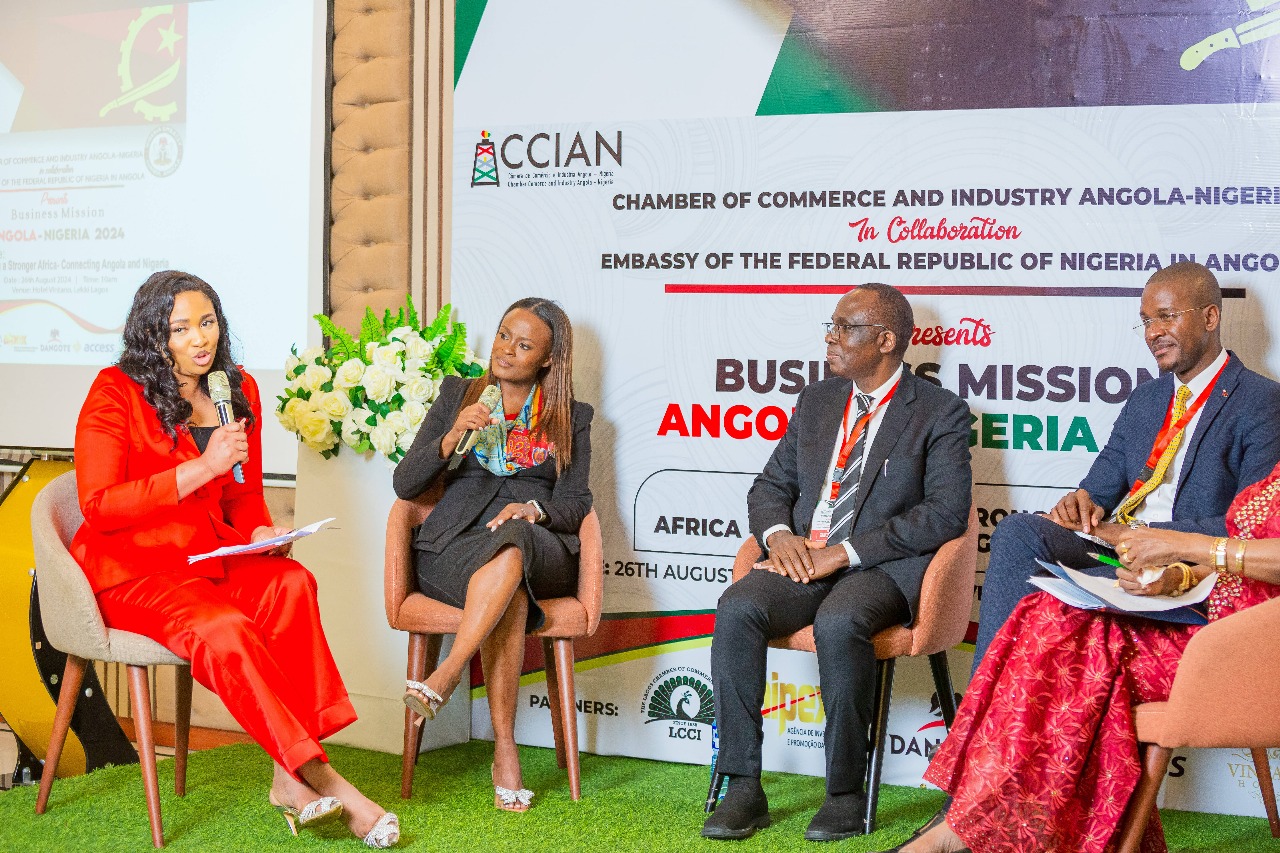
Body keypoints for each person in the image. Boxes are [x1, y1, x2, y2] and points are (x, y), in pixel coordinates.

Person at [72, 271, 398, 846]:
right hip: (133, 570)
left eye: (207, 323)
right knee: (223, 626)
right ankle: (321, 778)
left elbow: (241, 496)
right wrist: (202, 466)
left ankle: (286, 776)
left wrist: (262, 532)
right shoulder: (115, 392)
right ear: (153, 335)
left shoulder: (235, 387)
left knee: (290, 582)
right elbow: (98, 506)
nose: (200, 338)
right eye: (180, 328)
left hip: (204, 554)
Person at [880, 463, 1280, 853]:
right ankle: (981, 821)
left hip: (1245, 652)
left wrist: (1182, 545)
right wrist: (1180, 575)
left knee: (1075, 645)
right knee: (1051, 612)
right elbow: (1243, 560)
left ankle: (971, 831)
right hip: (1215, 624)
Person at [702, 284, 972, 842]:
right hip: (804, 558)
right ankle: (743, 786)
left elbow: (946, 513)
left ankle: (844, 792)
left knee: (841, 621)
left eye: (845, 328)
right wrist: (780, 537)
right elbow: (769, 487)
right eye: (831, 326)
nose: (830, 338)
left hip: (878, 567)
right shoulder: (819, 400)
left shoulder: (938, 411)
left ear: (886, 340)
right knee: (737, 607)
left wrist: (842, 554)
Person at [974, 262, 1280, 665]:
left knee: (1054, 610)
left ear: (1210, 317)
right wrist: (1079, 503)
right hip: (1116, 548)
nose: (1153, 333)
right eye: (1147, 321)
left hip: (1184, 566)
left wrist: (1138, 535)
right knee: (1017, 531)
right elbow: (1097, 489)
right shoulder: (1146, 399)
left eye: (1166, 316)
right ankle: (984, 694)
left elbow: (1250, 528)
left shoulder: (1261, 401)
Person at [392, 297, 592, 812]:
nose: (506, 350)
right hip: (454, 546)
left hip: (537, 545)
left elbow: (575, 503)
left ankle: (447, 673)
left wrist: (534, 510)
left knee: (515, 542)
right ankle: (505, 749)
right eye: (504, 335)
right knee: (511, 592)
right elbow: (405, 484)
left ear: (547, 360)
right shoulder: (460, 394)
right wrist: (452, 436)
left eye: (524, 345)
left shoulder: (570, 417)